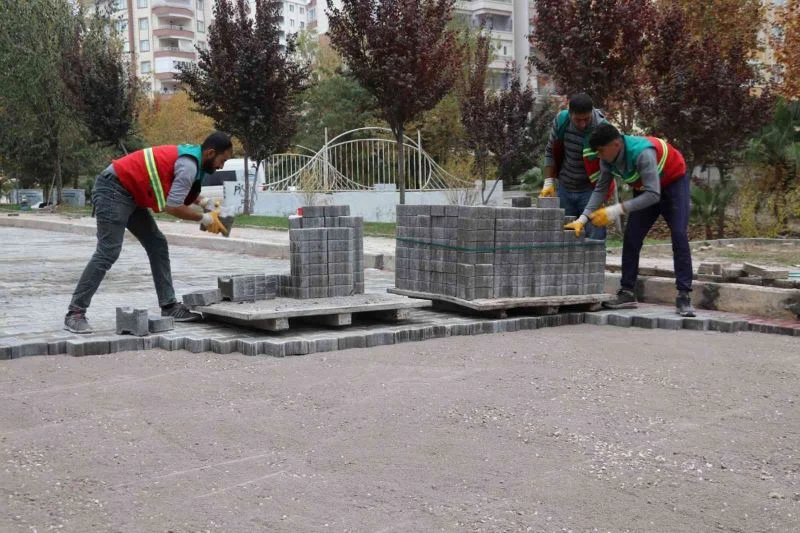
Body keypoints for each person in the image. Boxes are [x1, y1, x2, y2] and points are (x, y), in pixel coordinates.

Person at [64, 132, 234, 334]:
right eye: (222, 160)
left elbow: (178, 185)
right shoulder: (189, 165)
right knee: (108, 251)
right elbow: (173, 207)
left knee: (157, 243)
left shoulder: (194, 159)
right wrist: (204, 219)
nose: (221, 166)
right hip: (113, 189)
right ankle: (75, 313)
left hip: (131, 193)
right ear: (210, 152)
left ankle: (169, 306)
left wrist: (204, 203)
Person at [564, 123, 695, 317]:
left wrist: (615, 210)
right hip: (646, 188)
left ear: (616, 144)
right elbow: (601, 188)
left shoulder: (643, 154)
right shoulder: (607, 158)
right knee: (632, 238)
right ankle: (627, 291)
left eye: (601, 151)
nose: (599, 155)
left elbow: (653, 195)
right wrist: (583, 219)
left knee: (678, 235)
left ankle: (684, 296)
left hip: (673, 182)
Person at [541, 93, 613, 240]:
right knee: (563, 236)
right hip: (565, 188)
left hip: (590, 190)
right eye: (577, 119)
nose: (582, 124)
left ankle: (594, 264)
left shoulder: (602, 128)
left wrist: (602, 197)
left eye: (586, 119)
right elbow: (550, 151)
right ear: (570, 113)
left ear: (592, 112)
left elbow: (609, 167)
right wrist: (548, 182)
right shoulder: (561, 120)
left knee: (595, 237)